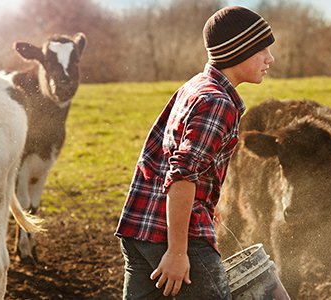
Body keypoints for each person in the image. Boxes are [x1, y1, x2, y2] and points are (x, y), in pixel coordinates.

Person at [115, 6, 276, 299]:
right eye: (262, 50)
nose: (270, 59)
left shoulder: (195, 87)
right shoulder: (217, 103)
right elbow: (182, 176)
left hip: (140, 227)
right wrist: (177, 252)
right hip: (175, 236)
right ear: (237, 51)